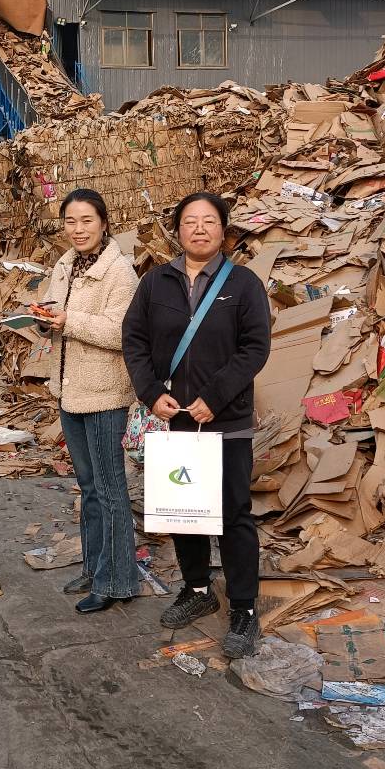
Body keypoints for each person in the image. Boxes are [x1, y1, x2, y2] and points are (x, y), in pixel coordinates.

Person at [122, 191, 271, 658]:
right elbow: (134, 340)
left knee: (233, 514)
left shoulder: (243, 284)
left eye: (209, 221)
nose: (200, 229)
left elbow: (255, 347)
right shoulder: (156, 283)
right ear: (178, 230)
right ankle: (197, 589)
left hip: (226, 420)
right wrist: (151, 393)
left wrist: (216, 396)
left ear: (223, 230)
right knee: (182, 509)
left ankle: (244, 608)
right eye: (190, 221)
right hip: (174, 420)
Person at [41, 188, 141, 613]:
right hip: (69, 390)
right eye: (70, 221)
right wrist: (44, 320)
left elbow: (122, 333)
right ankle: (94, 567)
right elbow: (56, 314)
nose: (78, 229)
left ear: (103, 223)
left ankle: (117, 581)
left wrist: (69, 320)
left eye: (87, 221)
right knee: (88, 487)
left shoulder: (120, 272)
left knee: (110, 489)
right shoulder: (65, 266)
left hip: (104, 395)